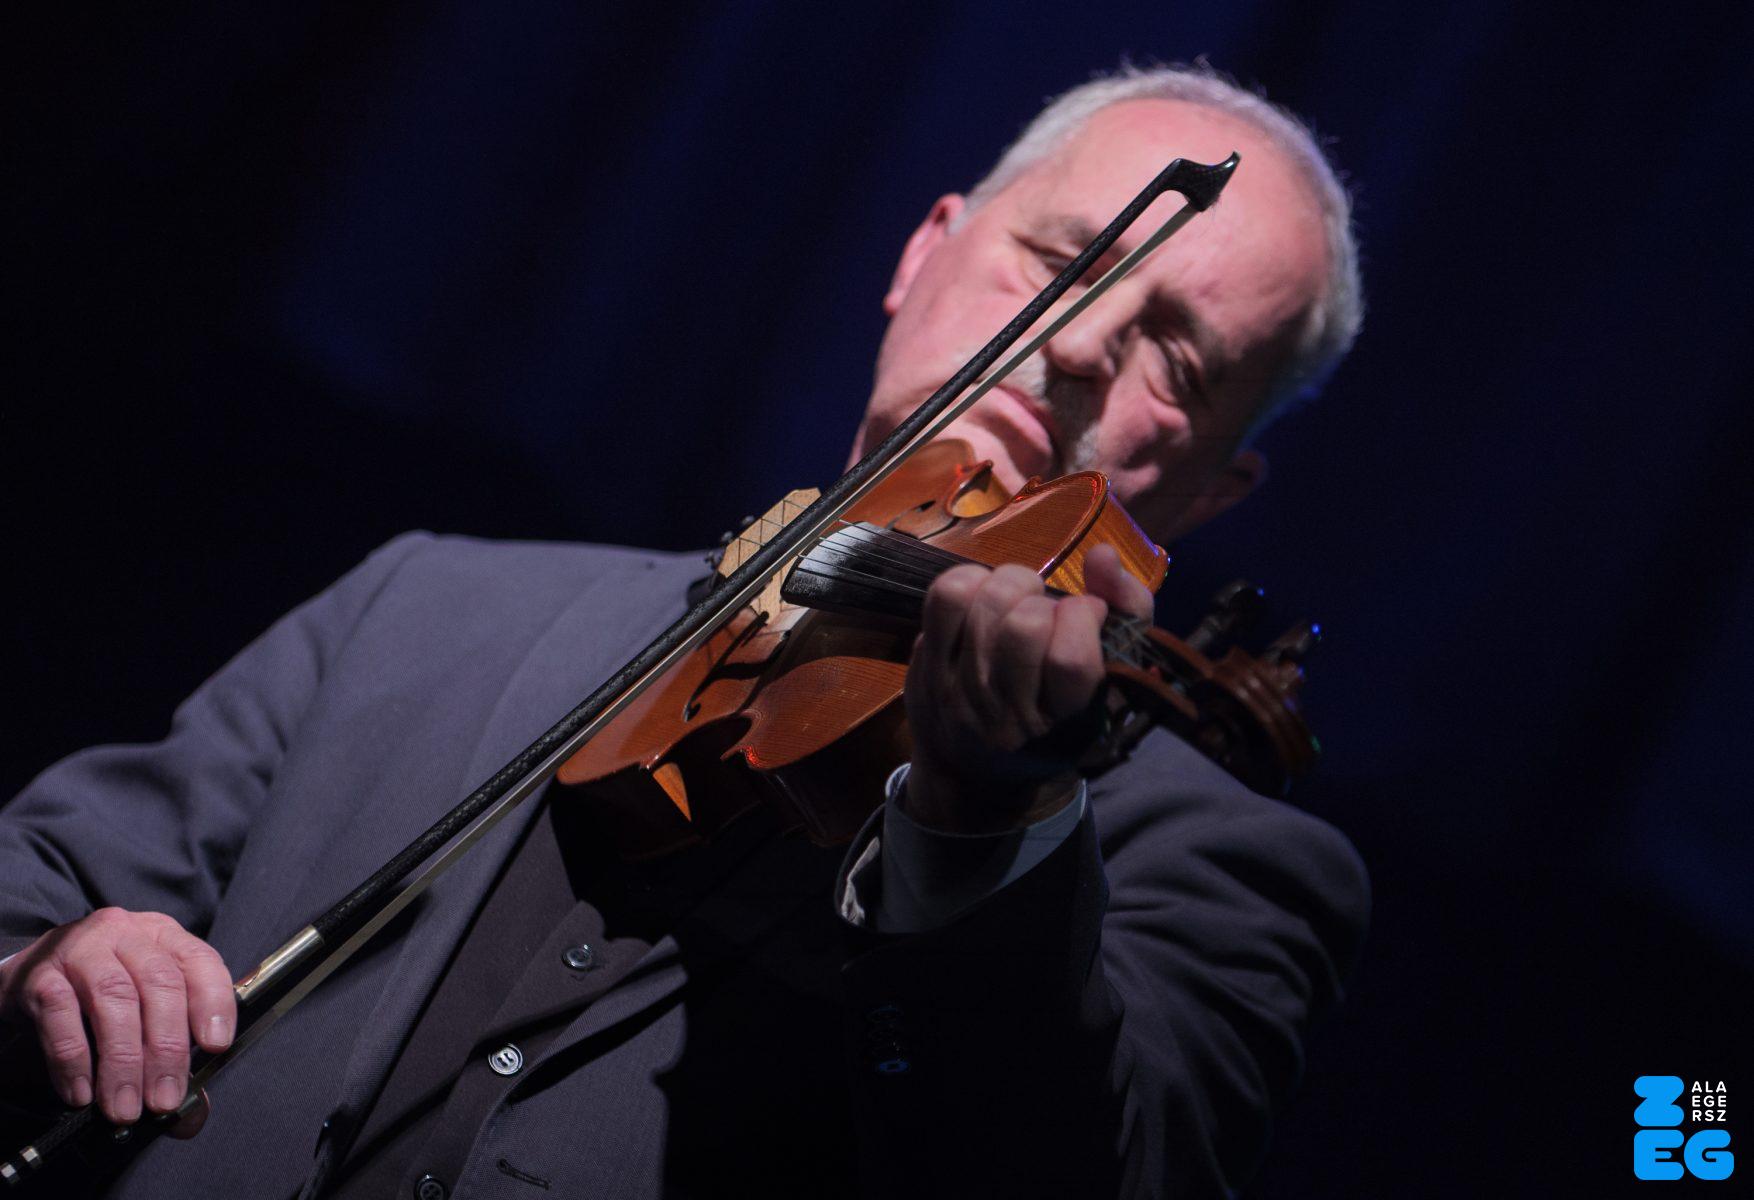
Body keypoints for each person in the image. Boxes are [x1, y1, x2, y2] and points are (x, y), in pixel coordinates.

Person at [0, 65, 1369, 1198]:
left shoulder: (1230, 869)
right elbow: (38, 878)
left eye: (1175, 360)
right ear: (923, 252)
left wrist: (987, 835)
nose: (1077, 349)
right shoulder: (425, 601)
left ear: (1214, 488)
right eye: (1064, 263)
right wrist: (42, 970)